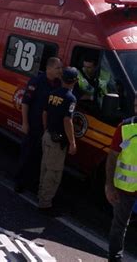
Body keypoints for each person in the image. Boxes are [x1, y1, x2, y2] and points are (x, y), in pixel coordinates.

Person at [15, 57, 62, 193]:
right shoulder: (37, 81)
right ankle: (20, 182)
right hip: (33, 124)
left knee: (39, 156)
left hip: (46, 127)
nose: (60, 70)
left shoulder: (58, 83)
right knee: (27, 154)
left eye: (60, 68)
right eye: (58, 68)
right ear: (49, 68)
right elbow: (25, 103)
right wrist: (25, 123)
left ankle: (34, 182)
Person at [37, 67, 79, 214]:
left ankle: (42, 196)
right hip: (57, 141)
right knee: (53, 173)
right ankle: (45, 204)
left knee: (45, 168)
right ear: (75, 81)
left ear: (62, 79)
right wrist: (72, 142)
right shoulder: (71, 98)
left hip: (48, 135)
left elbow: (44, 113)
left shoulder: (52, 93)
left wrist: (46, 129)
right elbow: (68, 120)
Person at [105, 105, 137, 262]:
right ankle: (115, 258)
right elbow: (112, 157)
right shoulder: (125, 128)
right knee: (120, 226)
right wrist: (109, 186)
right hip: (125, 189)